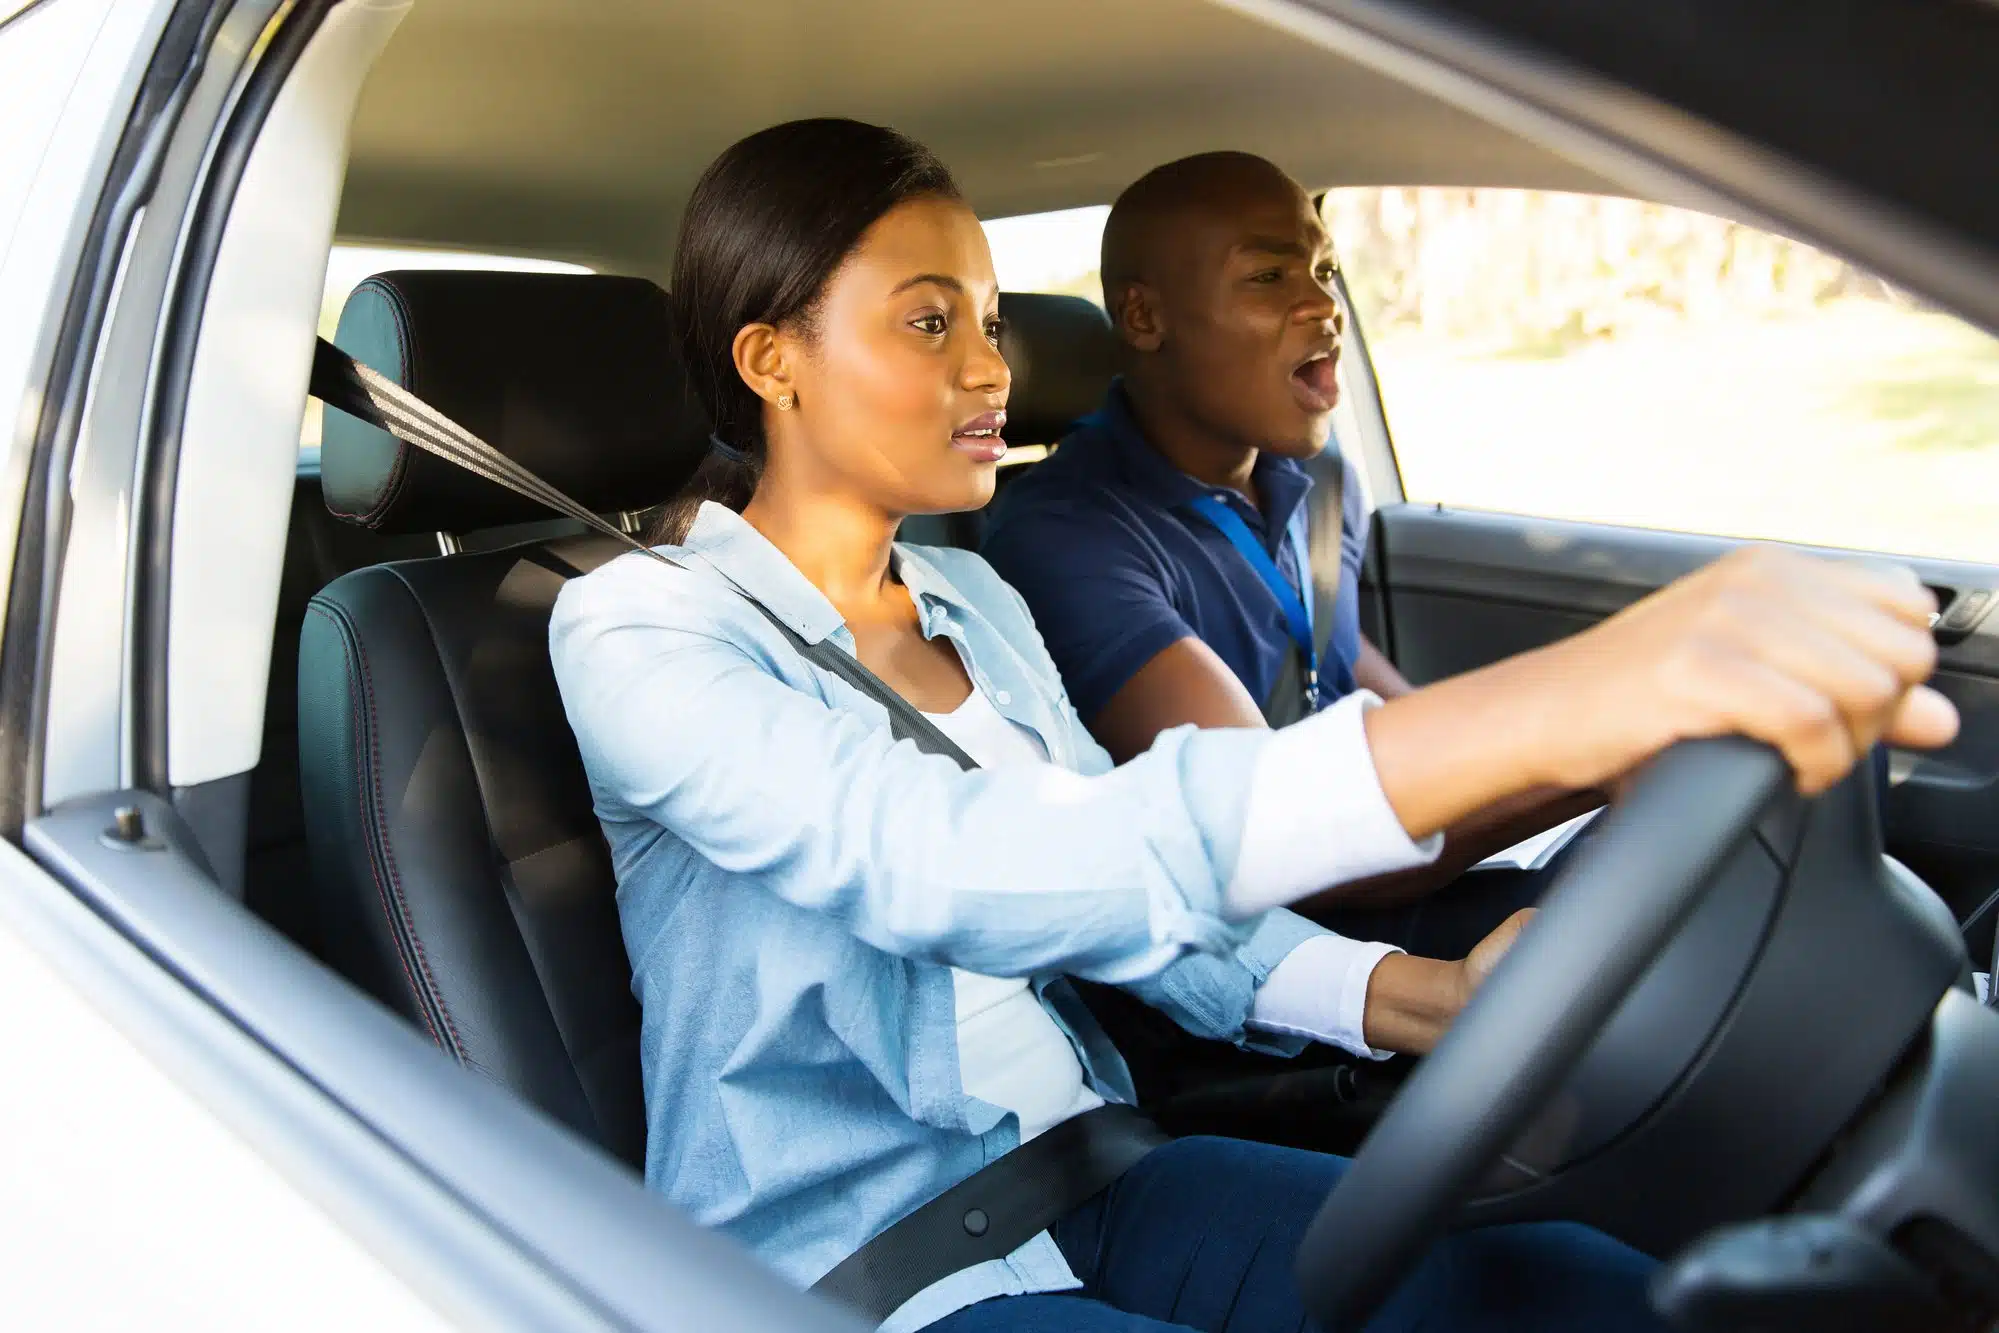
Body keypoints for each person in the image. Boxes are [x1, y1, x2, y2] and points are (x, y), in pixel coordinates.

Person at [548, 119, 1956, 1333]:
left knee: (1580, 1293)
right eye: (929, 321)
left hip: (1102, 1169)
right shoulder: (643, 630)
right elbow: (954, 860)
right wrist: (1561, 704)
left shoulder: (968, 599)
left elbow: (1137, 901)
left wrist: (1420, 996)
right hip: (867, 1266)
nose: (989, 367)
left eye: (988, 316)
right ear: (769, 359)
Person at [982, 153, 1593, 963]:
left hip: (1366, 878)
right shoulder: (1065, 537)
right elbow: (1278, 840)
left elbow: (1341, 663)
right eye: (1268, 276)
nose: (1322, 301)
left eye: (1325, 267)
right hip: (1262, 949)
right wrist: (1602, 739)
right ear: (1141, 318)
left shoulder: (1310, 474)